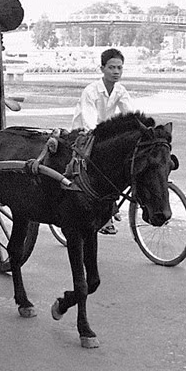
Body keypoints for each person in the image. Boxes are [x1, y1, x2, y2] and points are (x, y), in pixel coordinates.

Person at [71, 48, 134, 234]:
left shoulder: (120, 91)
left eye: (119, 68)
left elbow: (130, 115)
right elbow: (90, 121)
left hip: (104, 134)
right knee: (101, 166)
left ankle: (111, 203)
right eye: (112, 67)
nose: (116, 72)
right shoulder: (91, 91)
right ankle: (106, 208)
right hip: (84, 132)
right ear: (102, 69)